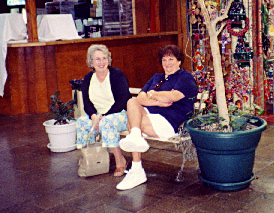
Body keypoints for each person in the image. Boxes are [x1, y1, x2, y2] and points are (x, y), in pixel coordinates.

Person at [117, 45, 198, 190]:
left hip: (169, 121)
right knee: (131, 102)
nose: (167, 63)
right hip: (150, 115)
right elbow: (140, 97)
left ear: (179, 61)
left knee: (134, 122)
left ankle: (137, 170)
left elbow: (174, 96)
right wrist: (159, 101)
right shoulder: (157, 77)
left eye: (171, 59)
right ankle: (136, 142)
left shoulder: (185, 77)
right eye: (164, 60)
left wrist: (152, 94)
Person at [76, 44, 130, 177]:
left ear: (108, 59)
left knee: (106, 123)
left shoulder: (117, 75)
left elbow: (122, 100)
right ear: (91, 62)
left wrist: (104, 116)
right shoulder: (88, 79)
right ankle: (90, 158)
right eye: (97, 59)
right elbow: (87, 103)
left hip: (119, 114)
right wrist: (94, 116)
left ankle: (120, 160)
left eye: (104, 58)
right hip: (98, 116)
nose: (101, 62)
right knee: (82, 121)